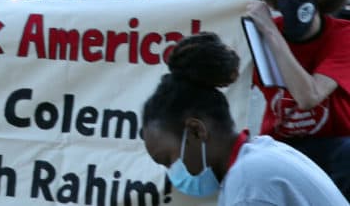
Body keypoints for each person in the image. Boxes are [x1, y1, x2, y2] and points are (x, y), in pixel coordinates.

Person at [141, 32, 347, 205]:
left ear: (196, 131)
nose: (171, 173)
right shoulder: (259, 154)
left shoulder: (250, 187)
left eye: (168, 160)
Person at [246, 0, 350, 197]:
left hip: (335, 150)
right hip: (281, 148)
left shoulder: (343, 35)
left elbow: (309, 96)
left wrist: (271, 33)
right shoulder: (257, 32)